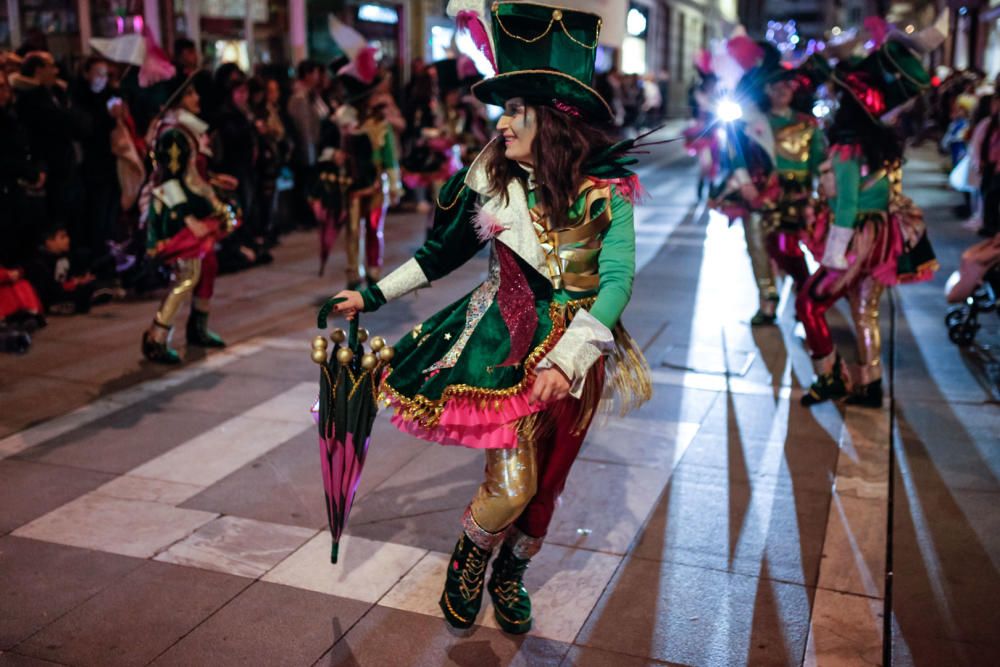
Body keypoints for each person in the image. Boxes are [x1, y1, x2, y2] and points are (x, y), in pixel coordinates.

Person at [330, 2, 651, 634]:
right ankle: (471, 556)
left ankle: (513, 571)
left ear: (553, 123)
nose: (502, 124)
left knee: (548, 487)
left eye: (516, 113)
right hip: (498, 348)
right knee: (511, 486)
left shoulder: (606, 194)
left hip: (578, 358)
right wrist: (371, 296)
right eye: (504, 111)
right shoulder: (491, 182)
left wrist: (570, 358)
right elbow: (440, 252)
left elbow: (616, 283)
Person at [798, 41, 938, 407]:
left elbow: (847, 206)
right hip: (882, 239)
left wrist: (833, 255)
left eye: (841, 99)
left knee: (809, 303)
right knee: (865, 312)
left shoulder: (847, 151)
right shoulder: (882, 146)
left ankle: (828, 376)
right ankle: (870, 384)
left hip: (855, 241)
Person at [140, 74, 238, 364]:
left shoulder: (187, 131)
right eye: (191, 94)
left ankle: (198, 328)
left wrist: (214, 180)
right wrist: (187, 218)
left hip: (196, 210)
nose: (197, 99)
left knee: (207, 268)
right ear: (178, 100)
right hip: (178, 214)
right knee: (187, 276)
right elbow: (169, 180)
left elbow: (191, 175)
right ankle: (156, 337)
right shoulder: (174, 134)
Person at [735, 64, 826, 325]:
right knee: (757, 244)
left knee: (790, 250)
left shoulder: (807, 124)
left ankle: (805, 295)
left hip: (796, 196)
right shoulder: (754, 122)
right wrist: (744, 181)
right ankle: (767, 300)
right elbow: (734, 152)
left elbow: (820, 161)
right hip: (761, 194)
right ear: (767, 90)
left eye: (787, 86)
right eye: (776, 86)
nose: (782, 91)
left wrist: (821, 192)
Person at [335, 48, 403, 289]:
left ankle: (374, 271)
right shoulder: (343, 122)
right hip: (352, 182)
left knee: (374, 226)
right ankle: (354, 273)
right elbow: (329, 147)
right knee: (353, 229)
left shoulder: (380, 125)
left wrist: (394, 185)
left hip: (375, 182)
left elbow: (389, 156)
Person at [287, 60, 327, 228]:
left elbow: (323, 113)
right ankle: (304, 217)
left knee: (308, 183)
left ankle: (308, 216)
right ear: (308, 74)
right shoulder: (300, 97)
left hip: (311, 148)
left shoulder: (310, 95)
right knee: (304, 184)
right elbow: (304, 129)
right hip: (304, 150)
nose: (318, 77)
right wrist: (309, 152)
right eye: (315, 73)